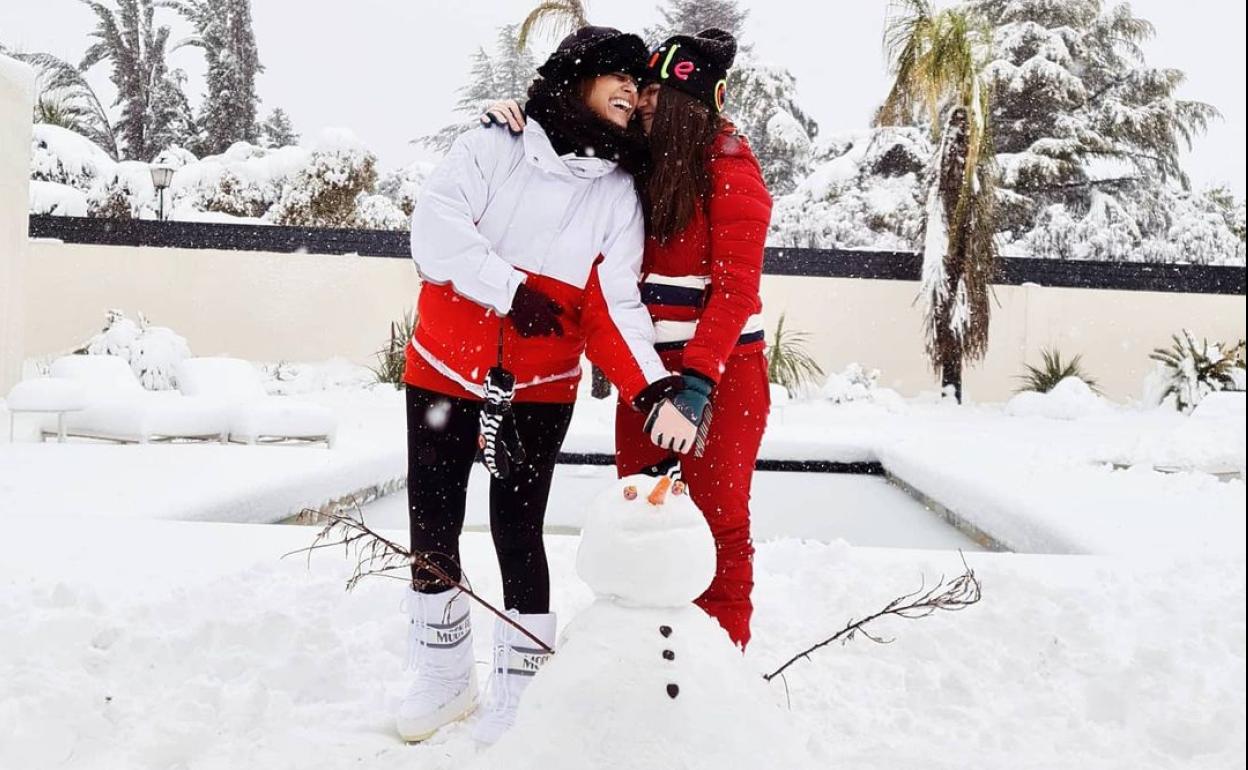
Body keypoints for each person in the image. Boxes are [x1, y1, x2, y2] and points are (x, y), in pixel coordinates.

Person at [398, 27, 701, 746]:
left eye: (639, 81)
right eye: (617, 74)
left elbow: (615, 305)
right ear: (578, 76)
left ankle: (521, 688)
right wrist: (510, 290)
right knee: (433, 522)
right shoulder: (494, 144)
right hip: (442, 369)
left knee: (518, 530)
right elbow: (434, 230)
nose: (631, 89)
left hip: (538, 387)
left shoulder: (619, 193)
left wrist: (652, 389)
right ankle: (443, 676)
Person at [482, 29, 773, 650]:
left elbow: (735, 292)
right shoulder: (636, 168)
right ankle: (646, 660)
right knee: (639, 519)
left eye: (657, 96)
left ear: (692, 104)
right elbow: (569, 157)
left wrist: (697, 385)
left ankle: (723, 665)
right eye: (641, 92)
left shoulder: (731, 168)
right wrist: (517, 119)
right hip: (650, 375)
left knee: (718, 525)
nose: (642, 104)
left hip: (723, 376)